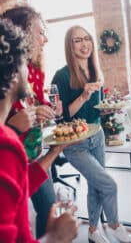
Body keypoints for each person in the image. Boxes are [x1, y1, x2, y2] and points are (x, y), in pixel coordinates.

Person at [0, 16, 80, 243]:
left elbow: (19, 188)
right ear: (13, 71)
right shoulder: (5, 145)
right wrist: (55, 237)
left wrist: (55, 151)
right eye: (23, 59)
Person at [51, 25, 131, 243]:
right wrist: (84, 96)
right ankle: (115, 225)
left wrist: (106, 109)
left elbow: (95, 111)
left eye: (86, 39)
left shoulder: (96, 71)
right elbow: (61, 117)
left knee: (96, 186)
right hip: (75, 143)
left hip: (96, 137)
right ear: (70, 46)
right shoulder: (61, 76)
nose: (84, 44)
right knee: (109, 184)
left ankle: (93, 231)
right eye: (77, 40)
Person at [2, 2, 60, 238]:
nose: (44, 40)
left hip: (31, 154)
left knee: (47, 207)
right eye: (40, 33)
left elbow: (33, 105)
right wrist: (13, 127)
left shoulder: (34, 71)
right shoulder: (5, 146)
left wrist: (44, 109)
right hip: (15, 157)